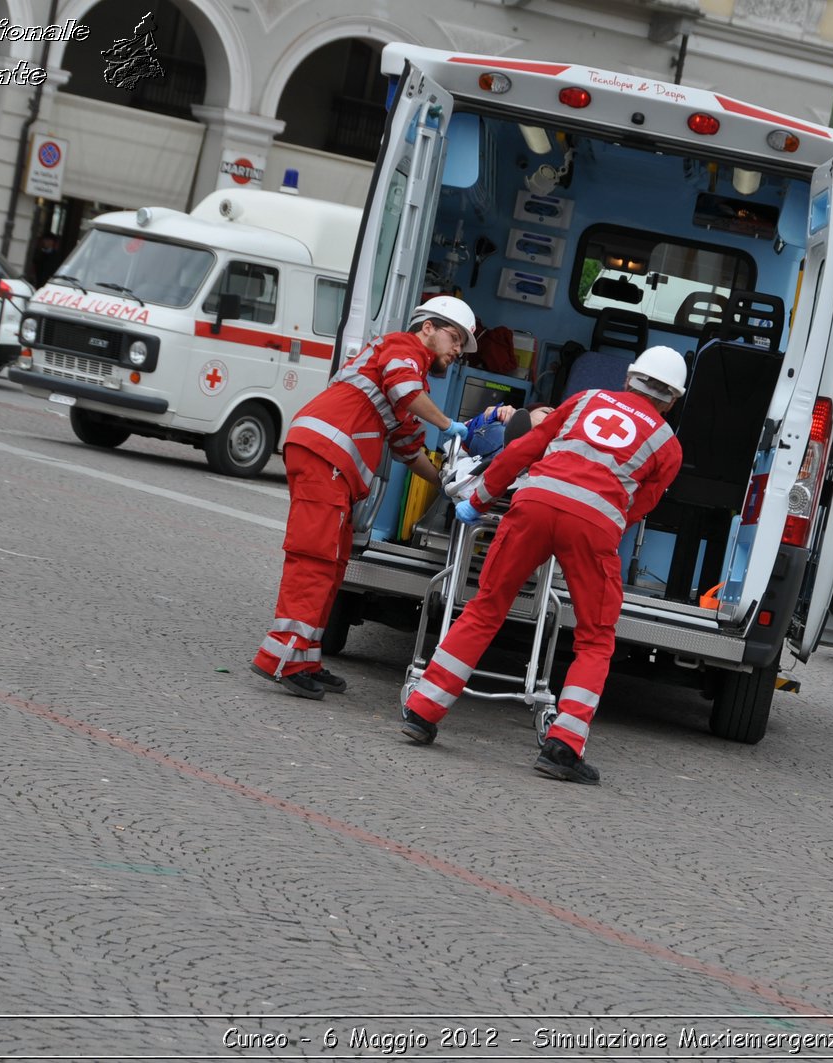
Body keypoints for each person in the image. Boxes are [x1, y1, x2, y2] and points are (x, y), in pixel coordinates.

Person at [398, 345, 688, 785]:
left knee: (485, 608)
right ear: (672, 400)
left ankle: (422, 711)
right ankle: (563, 748)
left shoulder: (584, 399)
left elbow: (525, 448)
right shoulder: (668, 445)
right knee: (595, 639)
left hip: (533, 505)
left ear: (628, 379)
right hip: (592, 528)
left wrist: (478, 499)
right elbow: (637, 507)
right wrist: (598, 528)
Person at [251, 295, 478, 699]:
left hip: (329, 460)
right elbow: (405, 391)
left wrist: (446, 480)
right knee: (315, 558)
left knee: (333, 563)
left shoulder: (412, 376)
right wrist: (448, 424)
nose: (458, 350)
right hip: (325, 456)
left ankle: (305, 658)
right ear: (427, 327)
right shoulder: (401, 348)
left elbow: (408, 446)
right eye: (456, 338)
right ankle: (280, 658)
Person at [464, 402, 555, 458]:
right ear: (527, 412)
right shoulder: (504, 416)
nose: (552, 416)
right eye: (546, 412)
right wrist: (490, 415)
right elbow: (466, 433)